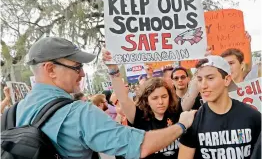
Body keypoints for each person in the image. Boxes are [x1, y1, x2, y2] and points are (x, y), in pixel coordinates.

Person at [16, 36, 196, 159]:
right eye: (76, 66)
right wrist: (181, 126)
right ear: (50, 69)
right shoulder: (79, 113)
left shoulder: (14, 112)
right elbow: (141, 146)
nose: (83, 74)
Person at [103, 50, 197, 159]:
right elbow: (123, 98)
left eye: (164, 96)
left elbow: (193, 92)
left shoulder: (176, 111)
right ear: (146, 100)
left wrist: (208, 62)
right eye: (155, 98)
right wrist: (113, 69)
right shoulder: (138, 116)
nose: (160, 102)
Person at [178, 55, 261, 159]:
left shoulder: (252, 116)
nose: (203, 85)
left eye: (210, 78)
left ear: (226, 79)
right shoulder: (193, 121)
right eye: (199, 79)